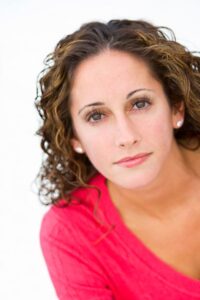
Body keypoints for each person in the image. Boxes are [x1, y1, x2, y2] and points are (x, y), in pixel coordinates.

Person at [35, 19, 200, 299]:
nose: (126, 137)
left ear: (175, 107)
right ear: (74, 137)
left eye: (139, 104)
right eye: (96, 116)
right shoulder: (70, 233)